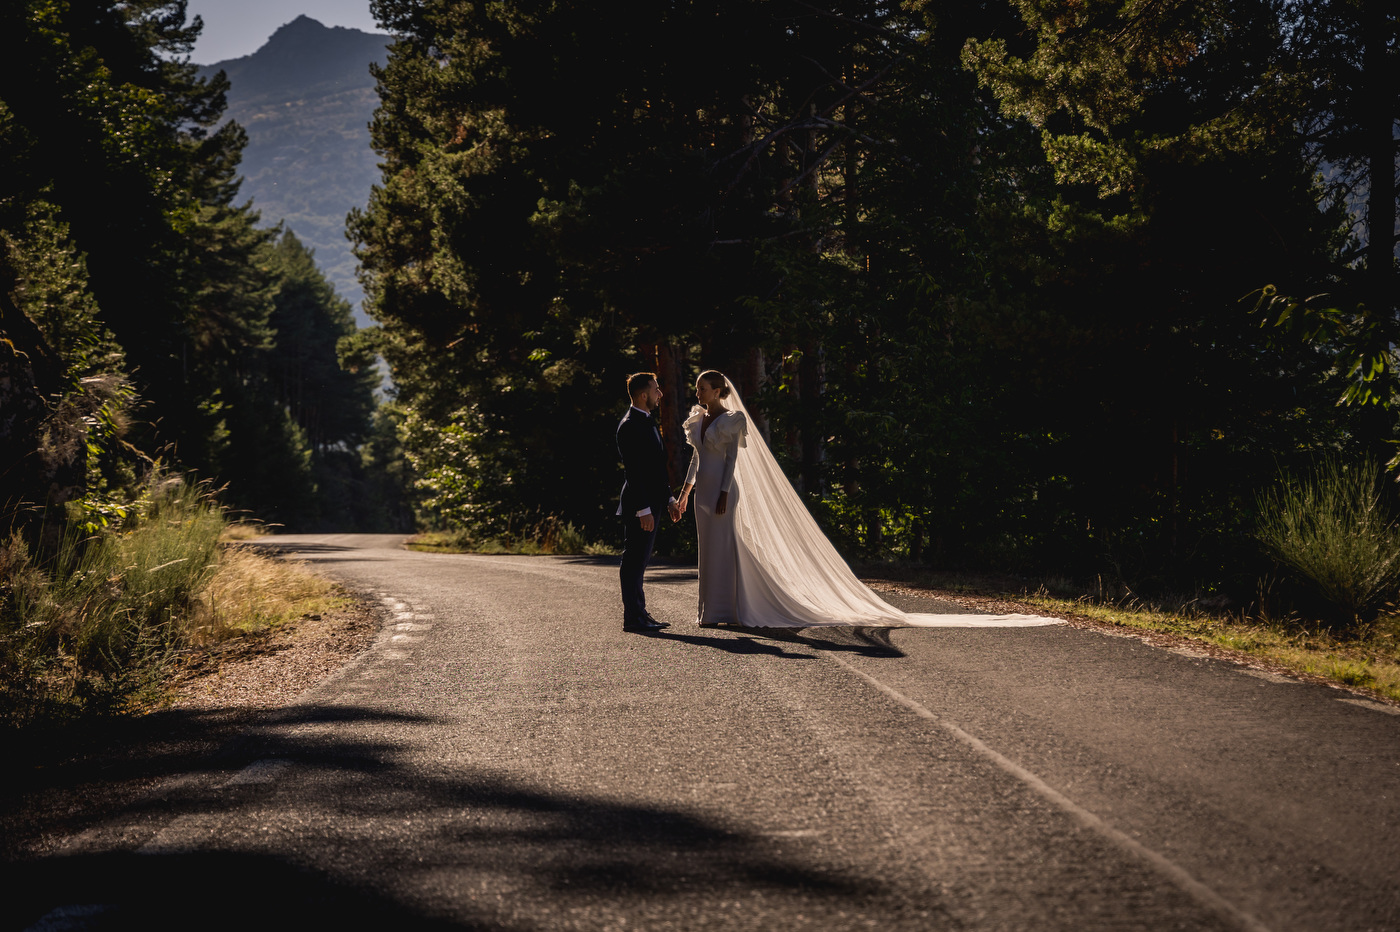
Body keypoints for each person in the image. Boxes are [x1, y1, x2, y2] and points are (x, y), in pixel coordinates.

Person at [676, 370, 1060, 629]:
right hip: (702, 493)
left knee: (728, 545)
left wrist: (725, 492)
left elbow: (731, 462)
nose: (698, 393)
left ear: (719, 391)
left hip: (724, 491)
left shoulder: (732, 420)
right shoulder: (697, 419)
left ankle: (732, 609)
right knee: (707, 549)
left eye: (703, 388)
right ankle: (710, 611)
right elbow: (697, 459)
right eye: (697, 388)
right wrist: (685, 493)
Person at [616, 371, 678, 632]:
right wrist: (644, 510)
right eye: (655, 390)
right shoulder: (629, 425)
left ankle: (640, 613)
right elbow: (634, 472)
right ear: (643, 395)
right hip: (639, 505)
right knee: (633, 560)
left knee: (640, 560)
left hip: (653, 501)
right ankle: (633, 618)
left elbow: (656, 468)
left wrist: (670, 498)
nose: (660, 394)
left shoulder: (647, 421)